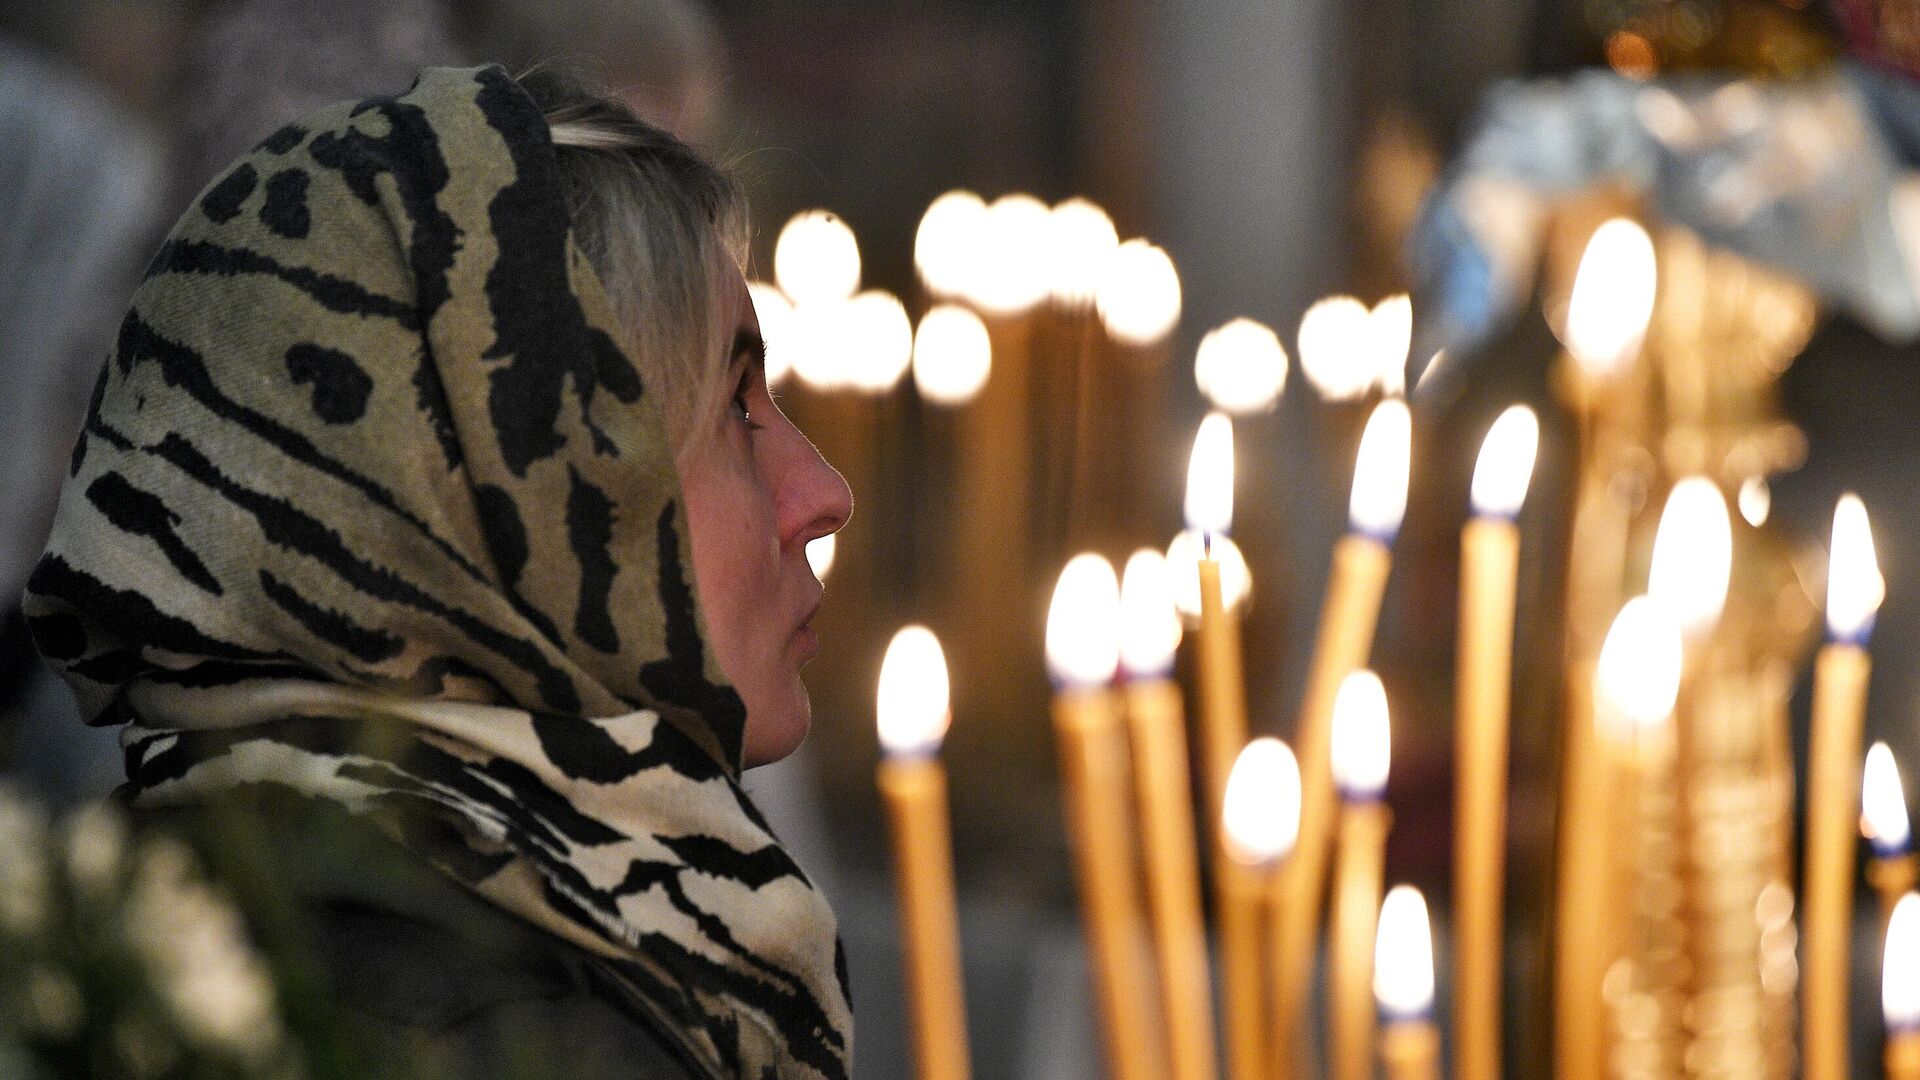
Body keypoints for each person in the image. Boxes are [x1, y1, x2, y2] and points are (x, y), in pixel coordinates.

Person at [23, 64, 854, 1080]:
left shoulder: (145, 941)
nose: (823, 493)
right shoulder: (502, 1032)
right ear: (499, 506)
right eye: (735, 408)